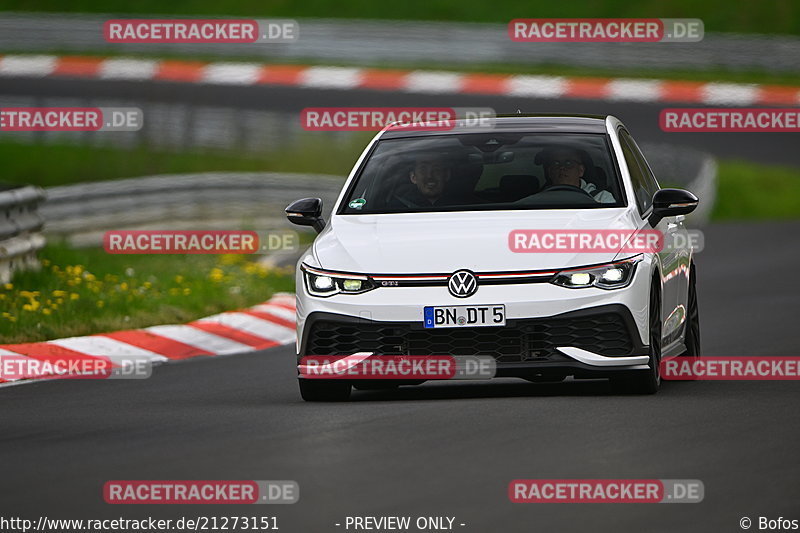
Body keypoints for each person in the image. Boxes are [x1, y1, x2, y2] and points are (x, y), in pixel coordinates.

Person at [539, 147, 615, 203]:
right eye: (556, 163)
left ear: (581, 170)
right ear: (549, 171)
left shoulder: (602, 198)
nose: (561, 168)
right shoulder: (538, 200)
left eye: (568, 163)